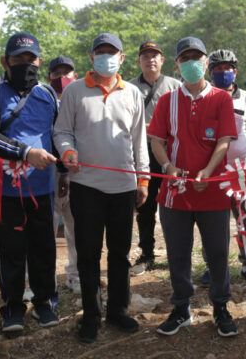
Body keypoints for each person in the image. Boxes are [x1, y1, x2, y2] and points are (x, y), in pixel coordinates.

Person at [54, 33, 149, 343]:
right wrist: (67, 152)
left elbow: (139, 140)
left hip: (123, 185)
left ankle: (118, 311)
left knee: (120, 254)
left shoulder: (132, 93)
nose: (106, 57)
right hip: (86, 186)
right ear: (91, 56)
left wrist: (143, 178)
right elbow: (62, 131)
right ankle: (91, 316)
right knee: (89, 254)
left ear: (121, 58)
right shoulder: (74, 92)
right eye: (100, 52)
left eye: (112, 52)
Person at [147, 37, 239, 338]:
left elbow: (224, 140)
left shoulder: (222, 99)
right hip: (175, 192)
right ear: (177, 65)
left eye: (197, 58)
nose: (191, 64)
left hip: (211, 190)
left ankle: (221, 306)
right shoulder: (167, 100)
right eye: (185, 59)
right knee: (177, 253)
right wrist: (168, 167)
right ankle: (181, 307)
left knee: (216, 253)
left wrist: (208, 172)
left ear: (205, 62)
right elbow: (157, 140)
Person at [0, 31, 60, 332]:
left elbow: (57, 136)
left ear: (40, 60)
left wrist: (66, 170)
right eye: (17, 59)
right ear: (4, 62)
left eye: (31, 59)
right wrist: (25, 153)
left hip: (42, 187)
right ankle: (12, 307)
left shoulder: (47, 94)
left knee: (44, 247)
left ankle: (45, 302)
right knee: (9, 250)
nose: (25, 64)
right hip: (1, 190)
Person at [197, 49, 246, 286]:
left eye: (227, 68)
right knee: (212, 222)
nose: (223, 72)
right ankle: (213, 266)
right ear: (210, 72)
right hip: (213, 169)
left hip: (242, 170)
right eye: (218, 69)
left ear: (235, 71)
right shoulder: (204, 97)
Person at [128, 41, 181, 276]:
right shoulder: (128, 88)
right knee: (145, 205)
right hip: (140, 154)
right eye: (145, 56)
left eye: (155, 56)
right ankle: (147, 253)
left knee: (174, 204)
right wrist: (152, 129)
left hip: (170, 153)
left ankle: (177, 252)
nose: (150, 60)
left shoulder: (175, 86)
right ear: (139, 61)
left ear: (162, 60)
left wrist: (151, 128)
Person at [46, 56, 78, 293]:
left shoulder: (80, 99)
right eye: (56, 74)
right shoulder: (42, 100)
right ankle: (42, 282)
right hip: (47, 174)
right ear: (49, 78)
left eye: (66, 73)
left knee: (75, 228)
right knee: (44, 229)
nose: (61, 78)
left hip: (76, 173)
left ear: (75, 76)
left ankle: (75, 275)